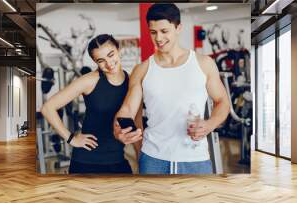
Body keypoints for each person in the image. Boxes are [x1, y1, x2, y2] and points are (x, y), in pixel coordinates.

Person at [114, 3, 230, 174]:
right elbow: (129, 108)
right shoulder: (142, 69)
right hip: (153, 158)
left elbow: (223, 102)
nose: (158, 38)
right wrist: (119, 127)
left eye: (164, 31)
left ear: (178, 28)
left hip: (195, 159)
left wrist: (210, 124)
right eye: (153, 32)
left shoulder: (203, 63)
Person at [41, 34, 132, 174]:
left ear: (118, 50)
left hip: (118, 158)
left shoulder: (130, 81)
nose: (108, 63)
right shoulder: (89, 81)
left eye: (111, 54)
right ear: (95, 62)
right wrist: (71, 139)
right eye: (101, 60)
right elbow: (47, 108)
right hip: (87, 161)